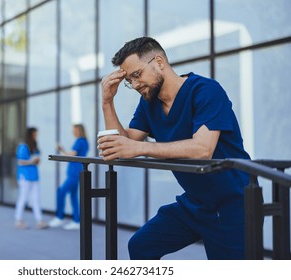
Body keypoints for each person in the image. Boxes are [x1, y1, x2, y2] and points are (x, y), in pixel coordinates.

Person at [98, 37, 251, 259]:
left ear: (159, 62)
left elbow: (202, 149)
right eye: (130, 81)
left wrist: (140, 148)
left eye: (137, 75)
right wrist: (107, 102)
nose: (135, 85)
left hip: (231, 205)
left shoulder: (206, 90)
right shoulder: (149, 103)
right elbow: (124, 142)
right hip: (195, 203)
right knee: (141, 246)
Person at [49, 124, 89, 230]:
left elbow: (70, 155)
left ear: (79, 130)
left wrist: (61, 149)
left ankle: (60, 217)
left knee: (61, 192)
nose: (73, 132)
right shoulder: (83, 141)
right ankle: (77, 220)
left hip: (74, 173)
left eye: (75, 130)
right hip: (76, 172)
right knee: (73, 196)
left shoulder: (80, 141)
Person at [14, 127, 48, 230]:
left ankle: (40, 220)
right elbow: (20, 161)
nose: (36, 136)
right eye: (34, 134)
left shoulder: (35, 146)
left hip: (34, 176)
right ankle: (18, 220)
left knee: (36, 199)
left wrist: (36, 161)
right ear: (30, 134)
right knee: (23, 198)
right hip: (25, 177)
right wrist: (32, 161)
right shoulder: (23, 146)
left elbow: (37, 161)